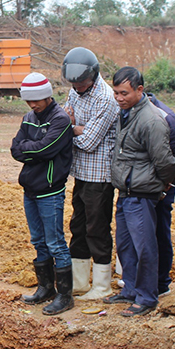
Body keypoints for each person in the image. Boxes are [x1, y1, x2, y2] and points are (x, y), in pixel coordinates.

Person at [102, 67, 175, 317]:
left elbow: (165, 161)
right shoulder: (126, 113)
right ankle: (131, 289)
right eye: (115, 92)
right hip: (125, 191)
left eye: (124, 93)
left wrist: (163, 185)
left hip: (142, 193)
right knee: (125, 245)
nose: (119, 98)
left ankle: (147, 296)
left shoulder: (151, 120)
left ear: (139, 90)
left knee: (144, 246)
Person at [11, 72, 74, 315]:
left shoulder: (60, 120)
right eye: (29, 101)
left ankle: (65, 296)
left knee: (56, 242)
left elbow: (46, 148)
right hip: (30, 189)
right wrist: (31, 149)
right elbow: (16, 149)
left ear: (47, 95)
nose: (33, 105)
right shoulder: (29, 117)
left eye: (37, 100)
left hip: (50, 190)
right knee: (38, 241)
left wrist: (30, 148)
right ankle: (45, 287)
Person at [62, 47, 118, 301]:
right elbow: (63, 121)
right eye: (73, 82)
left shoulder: (105, 98)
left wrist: (71, 129)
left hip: (100, 175)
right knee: (78, 226)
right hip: (82, 172)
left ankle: (102, 285)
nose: (77, 86)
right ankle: (80, 281)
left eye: (81, 82)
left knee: (97, 228)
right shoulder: (76, 91)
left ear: (93, 75)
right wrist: (75, 128)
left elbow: (90, 142)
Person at [145, 91, 175, 296]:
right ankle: (144, 278)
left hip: (162, 187)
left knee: (159, 231)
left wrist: (167, 183)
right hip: (142, 185)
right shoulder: (132, 111)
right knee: (143, 233)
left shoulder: (167, 117)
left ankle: (161, 282)